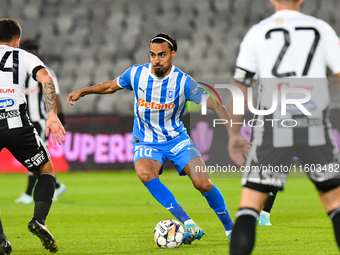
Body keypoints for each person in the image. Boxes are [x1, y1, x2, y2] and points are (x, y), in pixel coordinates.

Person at [67, 33, 250, 244]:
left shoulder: (184, 82)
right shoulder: (136, 73)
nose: (156, 60)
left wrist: (234, 134)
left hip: (176, 138)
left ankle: (230, 229)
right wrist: (83, 91)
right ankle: (187, 222)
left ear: (173, 54)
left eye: (162, 55)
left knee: (203, 183)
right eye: (153, 55)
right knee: (145, 173)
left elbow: (216, 105)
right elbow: (110, 86)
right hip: (145, 140)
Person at [228, 0, 340, 254]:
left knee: (249, 207)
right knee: (335, 202)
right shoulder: (321, 29)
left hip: (273, 126)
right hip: (314, 125)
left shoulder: (258, 32)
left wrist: (234, 133)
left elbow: (240, 86)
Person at [0, 18, 65, 254]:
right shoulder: (24, 56)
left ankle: (1, 241)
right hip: (18, 123)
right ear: (17, 40)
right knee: (46, 171)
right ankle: (38, 220)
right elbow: (46, 79)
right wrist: (52, 116)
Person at [14, 39, 66, 204]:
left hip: (41, 121)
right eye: (30, 50)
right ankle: (56, 185)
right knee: (32, 157)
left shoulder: (46, 72)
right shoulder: (19, 72)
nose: (33, 53)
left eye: (35, 50)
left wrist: (60, 118)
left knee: (35, 156)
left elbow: (55, 96)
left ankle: (29, 193)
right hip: (23, 121)